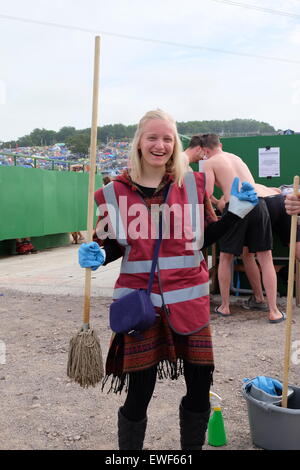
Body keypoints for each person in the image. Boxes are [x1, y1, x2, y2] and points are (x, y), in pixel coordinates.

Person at [78, 110, 258, 450]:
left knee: (200, 384)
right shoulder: (113, 193)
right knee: (139, 391)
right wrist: (98, 254)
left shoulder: (191, 184)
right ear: (139, 143)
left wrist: (235, 212)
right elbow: (113, 243)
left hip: (189, 305)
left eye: (167, 138)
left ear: (175, 144)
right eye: (152, 138)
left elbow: (202, 239)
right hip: (140, 309)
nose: (160, 145)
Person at [200, 133, 285, 323]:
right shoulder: (236, 158)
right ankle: (273, 311)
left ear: (205, 151)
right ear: (220, 144)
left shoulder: (210, 163)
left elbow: (207, 192)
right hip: (258, 203)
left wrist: (217, 203)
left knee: (225, 257)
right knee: (265, 257)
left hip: (236, 207)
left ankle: (225, 306)